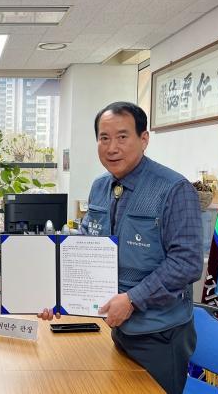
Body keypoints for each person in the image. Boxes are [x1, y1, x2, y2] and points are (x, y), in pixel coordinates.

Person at [39, 102, 203, 394]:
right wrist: (57, 295)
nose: (112, 147)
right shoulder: (100, 187)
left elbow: (187, 262)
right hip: (116, 329)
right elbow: (86, 246)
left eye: (122, 137)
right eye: (104, 138)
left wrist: (132, 300)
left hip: (159, 334)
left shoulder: (174, 189)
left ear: (144, 138)